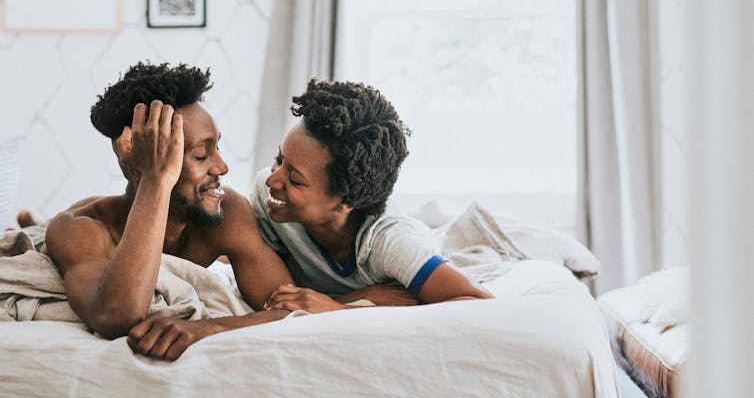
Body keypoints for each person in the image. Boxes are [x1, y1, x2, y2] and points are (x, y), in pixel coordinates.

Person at [43, 62, 294, 360]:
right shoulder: (79, 228)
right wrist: (155, 179)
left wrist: (210, 328)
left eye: (216, 148)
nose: (222, 167)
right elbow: (117, 316)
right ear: (133, 157)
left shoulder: (228, 210)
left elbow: (290, 307)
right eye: (201, 154)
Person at [253, 79, 494, 313]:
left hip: (415, 237)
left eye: (294, 179)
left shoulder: (391, 244)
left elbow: (479, 302)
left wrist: (340, 309)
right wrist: (360, 298)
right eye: (279, 159)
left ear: (345, 201)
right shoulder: (268, 196)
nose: (271, 180)